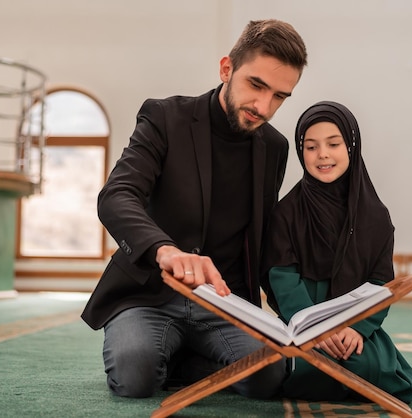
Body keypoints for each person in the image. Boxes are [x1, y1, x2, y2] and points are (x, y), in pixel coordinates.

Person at [81, 19, 308, 399]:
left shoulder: (276, 147)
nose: (264, 106)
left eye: (280, 96)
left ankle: (179, 358)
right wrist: (164, 250)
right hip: (150, 294)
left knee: (270, 374)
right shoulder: (165, 118)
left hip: (226, 302)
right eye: (256, 85)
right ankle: (172, 356)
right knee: (135, 377)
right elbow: (117, 195)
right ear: (226, 69)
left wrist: (304, 317)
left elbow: (264, 237)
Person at [261, 101, 412, 403]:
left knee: (362, 364)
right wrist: (317, 328)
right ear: (301, 153)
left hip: (355, 318)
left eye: (333, 144)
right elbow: (282, 278)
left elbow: (380, 284)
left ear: (351, 146)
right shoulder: (287, 212)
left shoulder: (375, 216)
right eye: (311, 147)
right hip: (304, 321)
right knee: (313, 369)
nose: (322, 154)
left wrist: (357, 328)